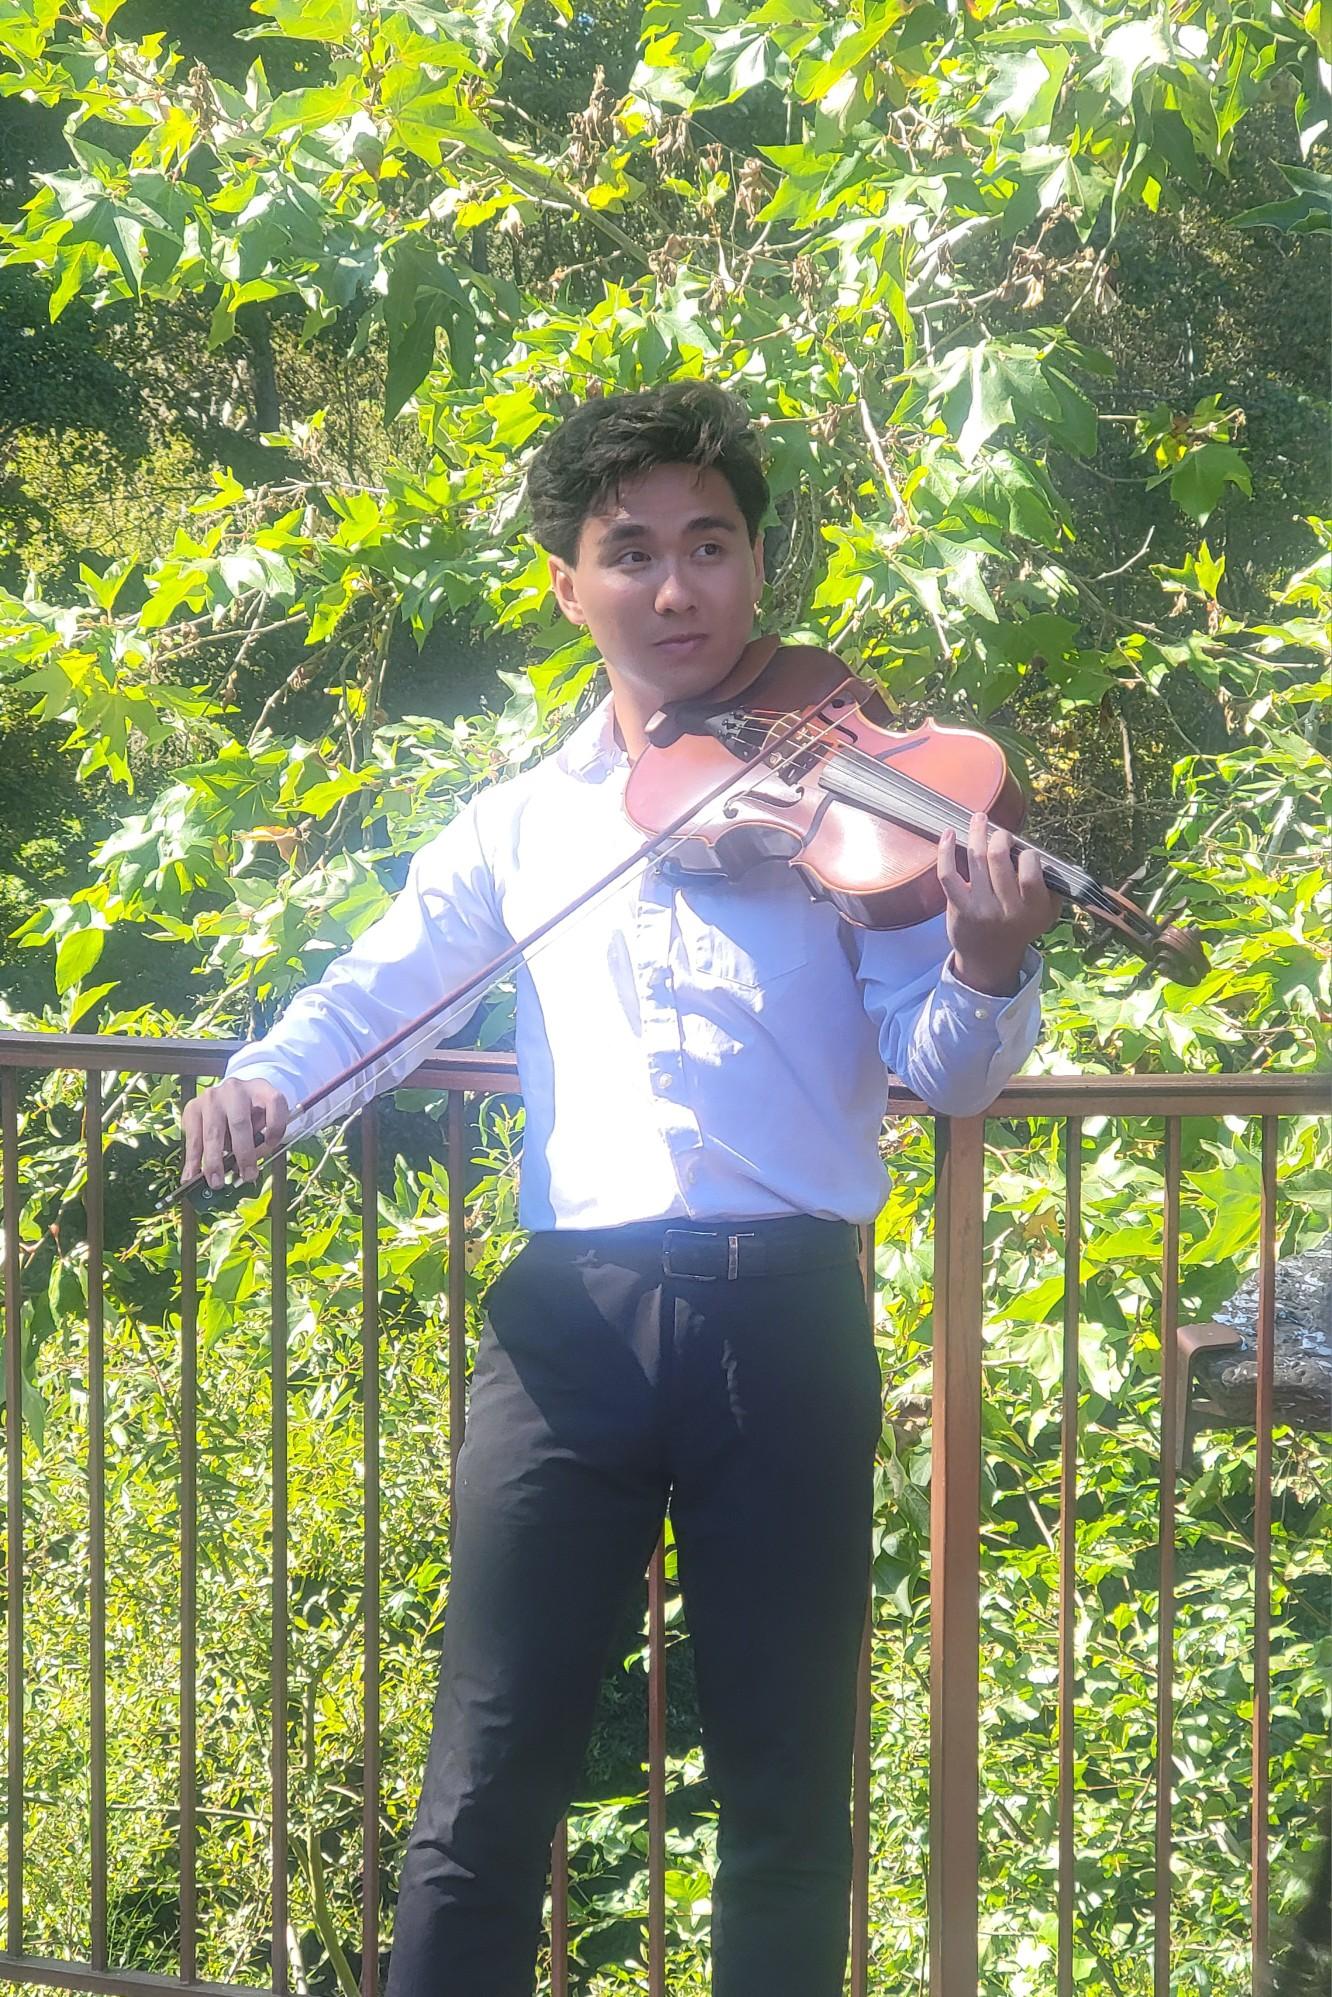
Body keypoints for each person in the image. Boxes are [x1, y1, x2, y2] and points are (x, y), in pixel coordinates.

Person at [180, 382, 1058, 1995]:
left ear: (758, 567)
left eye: (711, 547)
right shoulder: (523, 825)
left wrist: (989, 963)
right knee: (483, 1781)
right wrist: (268, 1080)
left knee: (786, 1793)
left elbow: (945, 1068)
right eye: (631, 552)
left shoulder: (853, 812)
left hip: (786, 1321)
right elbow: (382, 990)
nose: (675, 588)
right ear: (569, 583)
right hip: (569, 1326)